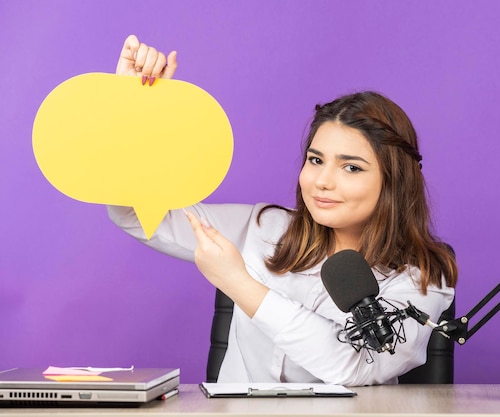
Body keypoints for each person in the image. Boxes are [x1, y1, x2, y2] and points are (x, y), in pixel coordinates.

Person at [108, 35, 458, 386]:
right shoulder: (265, 228)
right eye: (316, 160)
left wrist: (238, 282)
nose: (322, 181)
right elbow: (137, 215)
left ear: (393, 180)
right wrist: (133, 110)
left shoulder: (421, 277)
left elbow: (353, 367)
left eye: (351, 167)